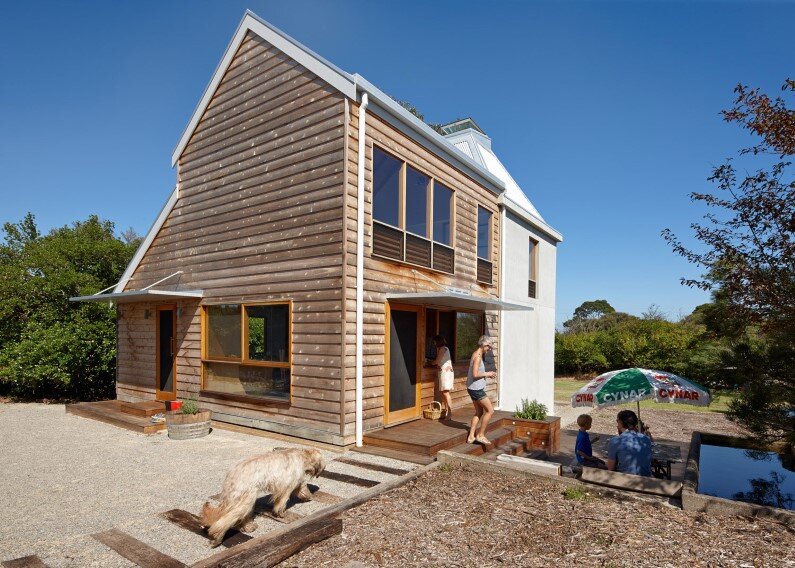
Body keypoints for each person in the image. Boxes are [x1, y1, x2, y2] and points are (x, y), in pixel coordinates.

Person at [466, 335, 497, 445]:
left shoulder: (476, 353)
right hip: (476, 389)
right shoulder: (478, 357)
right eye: (489, 347)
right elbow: (475, 374)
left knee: (479, 412)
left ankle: (471, 436)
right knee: (490, 411)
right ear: (484, 345)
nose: (490, 349)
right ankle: (480, 435)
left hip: (472, 388)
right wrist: (487, 374)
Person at [607, 409, 652, 476]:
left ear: (620, 422)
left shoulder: (616, 441)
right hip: (646, 479)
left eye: (617, 421)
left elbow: (610, 468)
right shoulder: (646, 439)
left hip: (625, 480)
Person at [425, 335, 454, 420]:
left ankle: (449, 414)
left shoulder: (442, 349)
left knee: (446, 393)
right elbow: (440, 361)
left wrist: (429, 362)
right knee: (444, 393)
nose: (433, 343)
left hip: (446, 372)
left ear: (438, 342)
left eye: (434, 342)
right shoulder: (445, 348)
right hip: (445, 371)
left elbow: (437, 361)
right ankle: (447, 412)